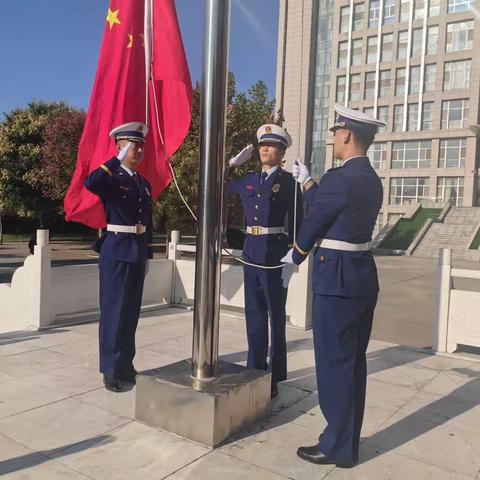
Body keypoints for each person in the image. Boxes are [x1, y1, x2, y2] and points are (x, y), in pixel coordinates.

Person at [281, 105, 385, 467]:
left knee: (333, 364)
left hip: (336, 281)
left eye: (336, 133)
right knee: (353, 365)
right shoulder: (371, 179)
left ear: (347, 135)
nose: (334, 139)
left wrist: (294, 255)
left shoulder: (340, 179)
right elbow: (332, 208)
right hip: (360, 278)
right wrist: (309, 182)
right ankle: (346, 442)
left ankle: (336, 446)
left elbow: (316, 220)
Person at [227, 124, 303, 398]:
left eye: (271, 146)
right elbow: (218, 185)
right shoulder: (248, 180)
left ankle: (275, 374)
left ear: (282, 152)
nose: (264, 149)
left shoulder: (289, 183)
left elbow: (299, 223)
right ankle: (254, 370)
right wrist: (231, 163)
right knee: (254, 315)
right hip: (251, 253)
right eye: (262, 145)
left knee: (275, 317)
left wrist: (295, 257)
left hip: (275, 255)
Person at [84, 122, 153, 392]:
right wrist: (114, 161)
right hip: (116, 249)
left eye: (140, 146)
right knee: (113, 313)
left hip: (136, 250)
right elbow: (91, 183)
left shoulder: (143, 184)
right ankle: (110, 370)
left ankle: (126, 363)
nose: (137, 150)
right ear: (119, 147)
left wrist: (148, 252)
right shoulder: (111, 178)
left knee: (131, 313)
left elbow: (148, 221)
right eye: (131, 145)